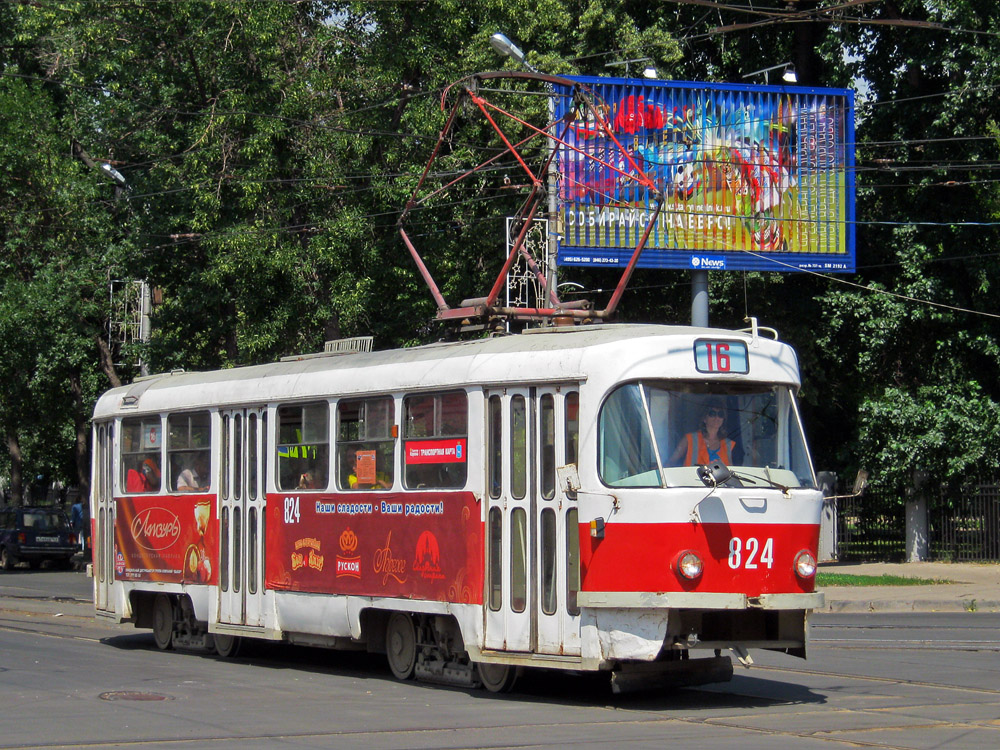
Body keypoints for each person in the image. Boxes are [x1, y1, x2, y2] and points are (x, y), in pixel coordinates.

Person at [669, 399, 735, 466]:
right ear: (704, 418)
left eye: (720, 414)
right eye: (712, 414)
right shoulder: (689, 439)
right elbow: (671, 462)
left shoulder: (728, 444)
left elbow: (731, 470)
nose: (717, 418)